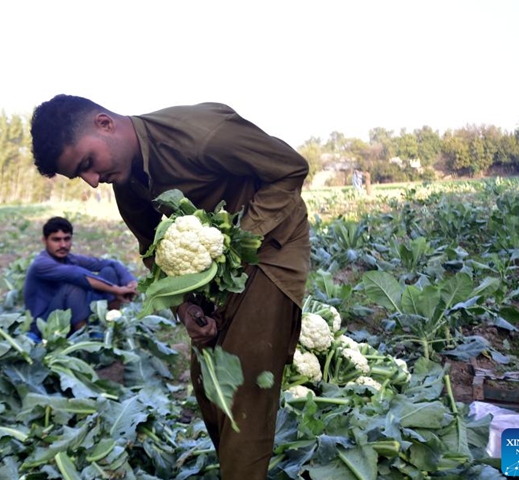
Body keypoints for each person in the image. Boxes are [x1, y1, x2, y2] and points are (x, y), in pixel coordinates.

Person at [30, 95, 311, 480]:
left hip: (272, 248)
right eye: (80, 176)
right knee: (209, 384)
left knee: (243, 385)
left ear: (105, 124)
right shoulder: (126, 183)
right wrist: (184, 307)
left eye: (88, 164)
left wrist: (236, 243)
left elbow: (291, 169)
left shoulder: (203, 136)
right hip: (214, 267)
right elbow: (153, 250)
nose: (92, 181)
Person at [23, 216, 138, 339]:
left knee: (109, 271)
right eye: (56, 240)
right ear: (44, 241)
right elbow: (77, 274)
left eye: (67, 239)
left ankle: (111, 326)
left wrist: (130, 281)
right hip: (44, 324)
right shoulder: (41, 263)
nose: (63, 245)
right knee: (74, 287)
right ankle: (84, 341)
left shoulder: (70, 259)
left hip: (69, 313)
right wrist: (117, 290)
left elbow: (111, 263)